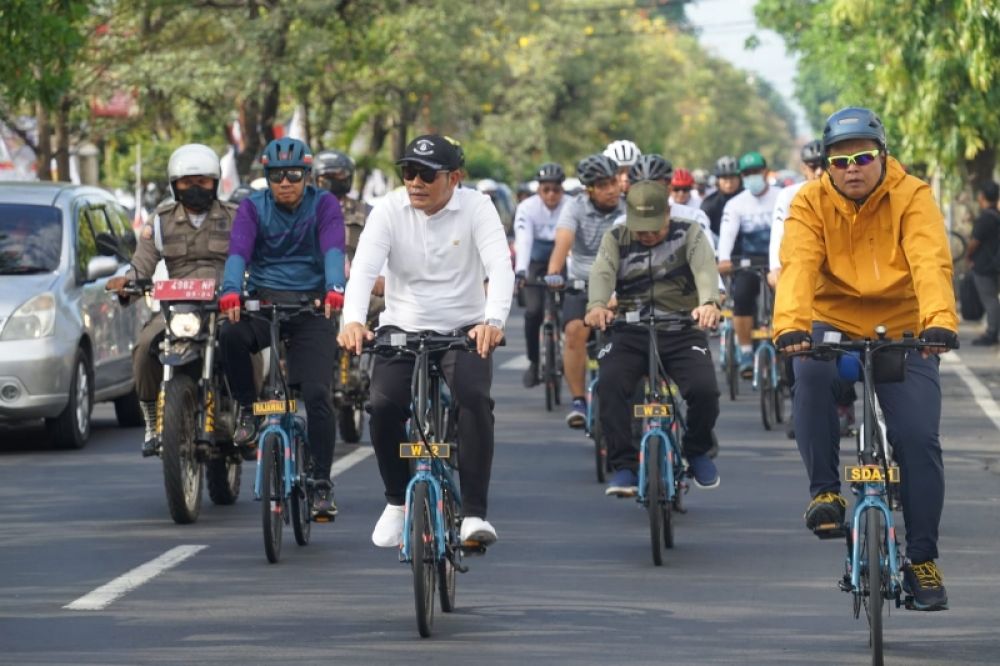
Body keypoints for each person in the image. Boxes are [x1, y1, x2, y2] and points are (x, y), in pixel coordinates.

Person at [774, 106, 958, 612]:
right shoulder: (808, 203)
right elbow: (798, 266)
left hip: (904, 330)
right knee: (807, 373)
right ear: (825, 166)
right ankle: (825, 495)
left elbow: (929, 259)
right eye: (839, 160)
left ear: (883, 155)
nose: (851, 167)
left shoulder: (913, 196)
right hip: (830, 326)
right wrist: (789, 325)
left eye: (862, 157)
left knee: (919, 440)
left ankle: (922, 560)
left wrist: (940, 320)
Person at [337, 134, 513, 548]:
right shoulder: (388, 210)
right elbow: (363, 269)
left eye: (425, 175)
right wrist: (353, 321)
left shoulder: (477, 207)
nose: (414, 182)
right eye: (407, 172)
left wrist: (493, 320)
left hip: (464, 330)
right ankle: (397, 502)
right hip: (402, 328)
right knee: (381, 405)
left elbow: (500, 268)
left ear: (455, 178)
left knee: (474, 400)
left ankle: (473, 514)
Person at [217, 137, 346, 521]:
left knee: (318, 394)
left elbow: (334, 249)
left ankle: (321, 483)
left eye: (293, 174)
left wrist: (335, 288)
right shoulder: (251, 207)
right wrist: (230, 291)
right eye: (276, 175)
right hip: (265, 302)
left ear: (307, 176)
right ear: (267, 178)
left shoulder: (324, 204)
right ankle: (246, 410)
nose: (285, 182)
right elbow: (238, 252)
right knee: (230, 335)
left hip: (312, 306)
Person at [585, 181, 722, 494]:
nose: (646, 235)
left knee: (705, 391)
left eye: (653, 228)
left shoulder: (690, 233)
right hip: (629, 331)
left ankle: (696, 449)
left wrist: (709, 303)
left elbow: (705, 271)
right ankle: (624, 465)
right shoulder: (616, 237)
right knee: (608, 385)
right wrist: (596, 306)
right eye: (640, 228)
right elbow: (602, 273)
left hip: (681, 330)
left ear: (668, 214)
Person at [106, 144, 236, 457]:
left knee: (246, 344)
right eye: (186, 182)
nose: (195, 188)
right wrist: (128, 281)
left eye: (202, 181)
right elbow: (142, 262)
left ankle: (246, 415)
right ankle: (153, 421)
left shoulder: (235, 217)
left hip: (223, 304)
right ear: (174, 185)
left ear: (215, 182)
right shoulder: (160, 220)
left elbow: (252, 258)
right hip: (177, 307)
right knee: (143, 348)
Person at [768, 139, 856, 436]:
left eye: (824, 165)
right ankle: (800, 404)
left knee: (849, 353)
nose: (819, 171)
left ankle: (846, 402)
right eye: (814, 166)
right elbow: (781, 235)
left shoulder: (851, 191)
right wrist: (776, 270)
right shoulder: (792, 195)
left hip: (851, 291)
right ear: (805, 168)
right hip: (803, 279)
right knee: (795, 343)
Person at [545, 153, 625, 428]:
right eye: (603, 185)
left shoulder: (628, 208)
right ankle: (579, 400)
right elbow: (563, 242)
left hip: (620, 286)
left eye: (614, 182)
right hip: (582, 283)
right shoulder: (574, 208)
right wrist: (555, 272)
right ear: (588, 189)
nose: (612, 189)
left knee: (631, 338)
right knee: (573, 332)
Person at [717, 151, 780, 378]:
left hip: (778, 264)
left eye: (756, 171)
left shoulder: (781, 197)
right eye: (747, 173)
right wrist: (724, 258)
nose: (752, 176)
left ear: (765, 171)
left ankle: (784, 343)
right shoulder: (736, 204)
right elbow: (727, 234)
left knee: (785, 300)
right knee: (742, 297)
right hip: (748, 264)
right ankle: (745, 352)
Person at [514, 162, 567, 387]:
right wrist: (521, 271)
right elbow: (524, 240)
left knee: (569, 309)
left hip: (563, 257)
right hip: (535, 261)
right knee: (533, 312)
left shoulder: (571, 205)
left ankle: (564, 344)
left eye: (556, 189)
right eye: (546, 189)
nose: (552, 194)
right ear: (539, 190)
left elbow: (573, 244)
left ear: (562, 190)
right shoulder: (527, 207)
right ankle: (534, 362)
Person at [966, 181, 1000, 345]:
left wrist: (968, 256)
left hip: (984, 266)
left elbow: (974, 243)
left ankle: (991, 333)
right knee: (992, 299)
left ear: (982, 197)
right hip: (993, 264)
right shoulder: (996, 215)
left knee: (990, 300)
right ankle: (992, 331)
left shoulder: (985, 218)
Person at [701, 155, 743, 238]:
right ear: (717, 180)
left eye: (732, 177)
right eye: (724, 178)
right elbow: (703, 231)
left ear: (739, 178)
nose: (729, 182)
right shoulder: (709, 204)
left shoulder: (749, 199)